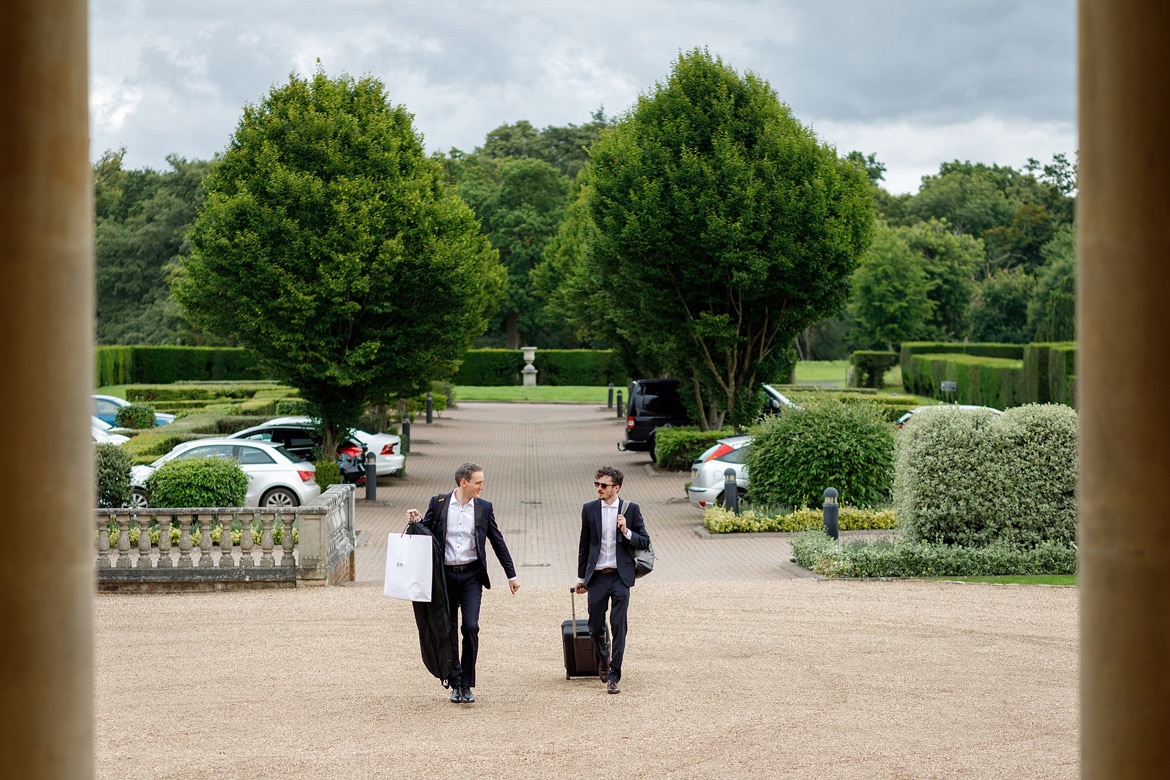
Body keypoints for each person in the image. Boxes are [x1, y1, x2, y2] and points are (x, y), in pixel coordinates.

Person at [407, 462, 519, 703]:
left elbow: (497, 540)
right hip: (444, 578)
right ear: (464, 482)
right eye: (478, 482)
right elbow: (426, 531)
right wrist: (417, 521)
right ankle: (456, 682)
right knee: (447, 630)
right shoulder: (439, 504)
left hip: (471, 576)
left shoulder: (484, 508)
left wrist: (511, 575)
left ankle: (468, 682)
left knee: (470, 626)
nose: (482, 486)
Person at [575, 465, 651, 694]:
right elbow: (584, 546)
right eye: (597, 484)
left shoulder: (631, 509)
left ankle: (614, 675)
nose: (599, 488)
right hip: (597, 576)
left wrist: (626, 531)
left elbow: (644, 541)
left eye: (604, 485)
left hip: (620, 576)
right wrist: (581, 578)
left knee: (619, 626)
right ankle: (604, 657)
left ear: (616, 488)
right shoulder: (589, 509)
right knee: (594, 626)